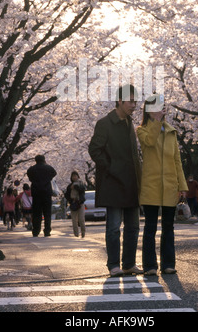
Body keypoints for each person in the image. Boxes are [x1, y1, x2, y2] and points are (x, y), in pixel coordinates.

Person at [88, 84, 142, 277]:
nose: (134, 105)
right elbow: (94, 149)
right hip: (113, 182)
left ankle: (129, 263)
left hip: (131, 182)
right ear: (120, 101)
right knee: (113, 227)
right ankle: (113, 265)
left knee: (133, 227)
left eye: (135, 101)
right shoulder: (105, 123)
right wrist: (111, 168)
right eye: (131, 101)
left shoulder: (130, 123)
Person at [137, 94, 188, 275]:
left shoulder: (171, 132)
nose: (161, 110)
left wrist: (182, 186)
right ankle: (150, 266)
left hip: (170, 185)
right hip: (150, 185)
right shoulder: (142, 130)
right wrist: (157, 122)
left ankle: (168, 264)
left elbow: (177, 161)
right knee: (150, 227)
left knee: (168, 227)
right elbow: (150, 141)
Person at [27, 154, 56, 237]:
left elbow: (30, 177)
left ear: (35, 160)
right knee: (47, 213)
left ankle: (36, 230)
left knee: (36, 213)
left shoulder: (31, 169)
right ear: (44, 160)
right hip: (46, 192)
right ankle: (47, 231)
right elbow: (54, 173)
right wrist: (48, 179)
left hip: (36, 192)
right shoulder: (49, 168)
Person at [65, 171, 86, 238]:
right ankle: (76, 234)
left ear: (78, 176)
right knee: (74, 220)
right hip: (73, 203)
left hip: (80, 203)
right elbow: (66, 195)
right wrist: (71, 200)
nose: (74, 177)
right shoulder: (69, 186)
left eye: (75, 175)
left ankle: (83, 233)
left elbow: (82, 191)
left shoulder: (81, 184)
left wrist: (76, 187)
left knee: (81, 219)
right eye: (73, 176)